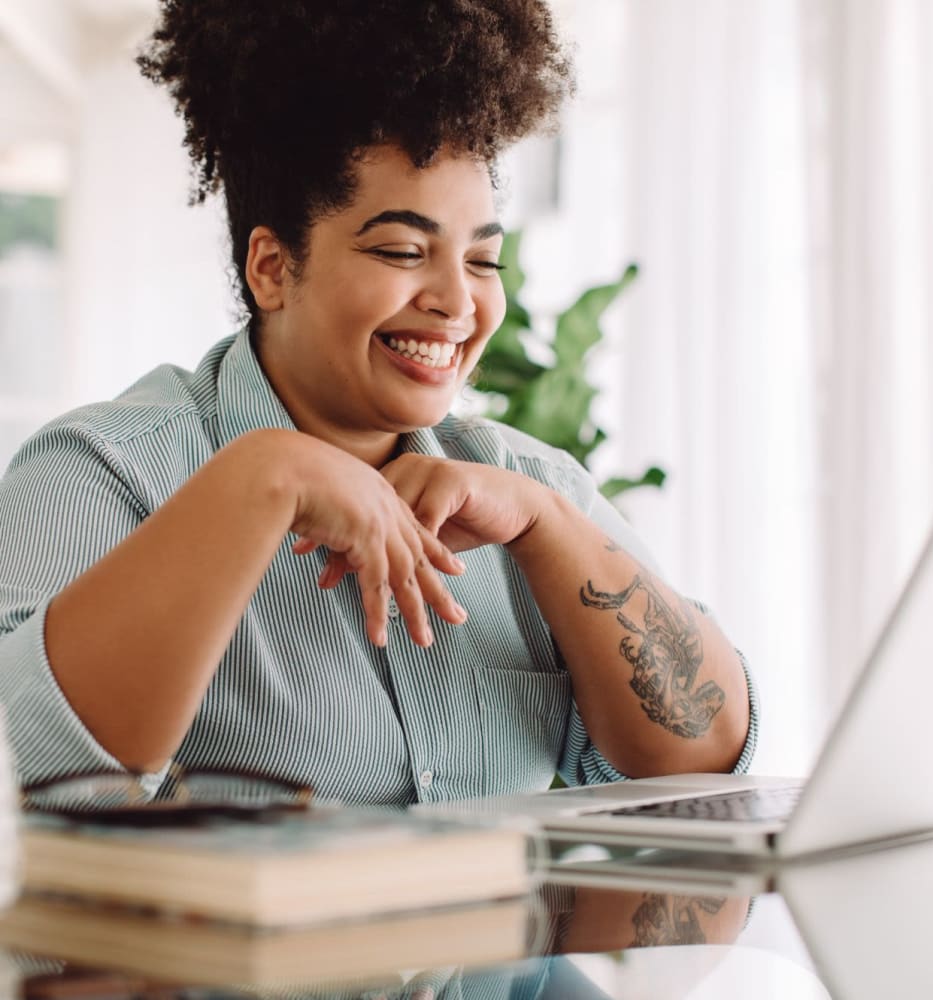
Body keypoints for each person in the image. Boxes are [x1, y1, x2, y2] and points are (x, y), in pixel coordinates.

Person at [0, 0, 757, 805]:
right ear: (271, 267)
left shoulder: (527, 488)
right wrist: (264, 477)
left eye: (483, 260)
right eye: (402, 250)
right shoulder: (101, 471)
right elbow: (25, 774)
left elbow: (703, 759)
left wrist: (549, 529)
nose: (456, 301)